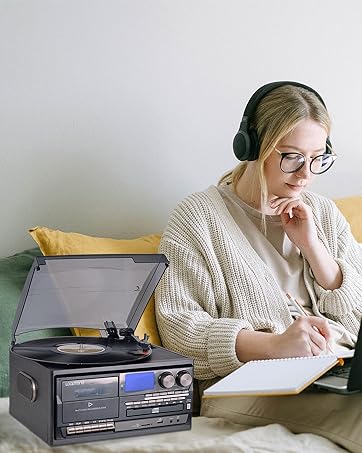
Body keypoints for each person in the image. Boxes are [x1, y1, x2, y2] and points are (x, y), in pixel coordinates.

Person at [155, 81, 362, 452]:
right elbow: (180, 330)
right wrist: (275, 345)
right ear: (252, 147)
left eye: (318, 159)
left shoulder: (324, 213)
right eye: (292, 157)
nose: (305, 175)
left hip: (335, 369)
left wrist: (314, 249)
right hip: (244, 384)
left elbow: (357, 318)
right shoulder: (197, 218)